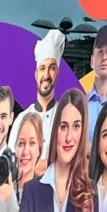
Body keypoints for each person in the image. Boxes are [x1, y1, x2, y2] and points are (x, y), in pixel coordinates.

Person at [17, 90, 94, 212]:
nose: (68, 138)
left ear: (83, 132)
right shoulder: (32, 191)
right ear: (55, 130)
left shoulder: (91, 194)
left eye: (76, 126)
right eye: (63, 126)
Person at [31, 29, 66, 165]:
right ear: (36, 74)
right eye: (42, 68)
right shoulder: (22, 119)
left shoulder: (65, 117)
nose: (46, 75)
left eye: (52, 68)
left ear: (57, 72)